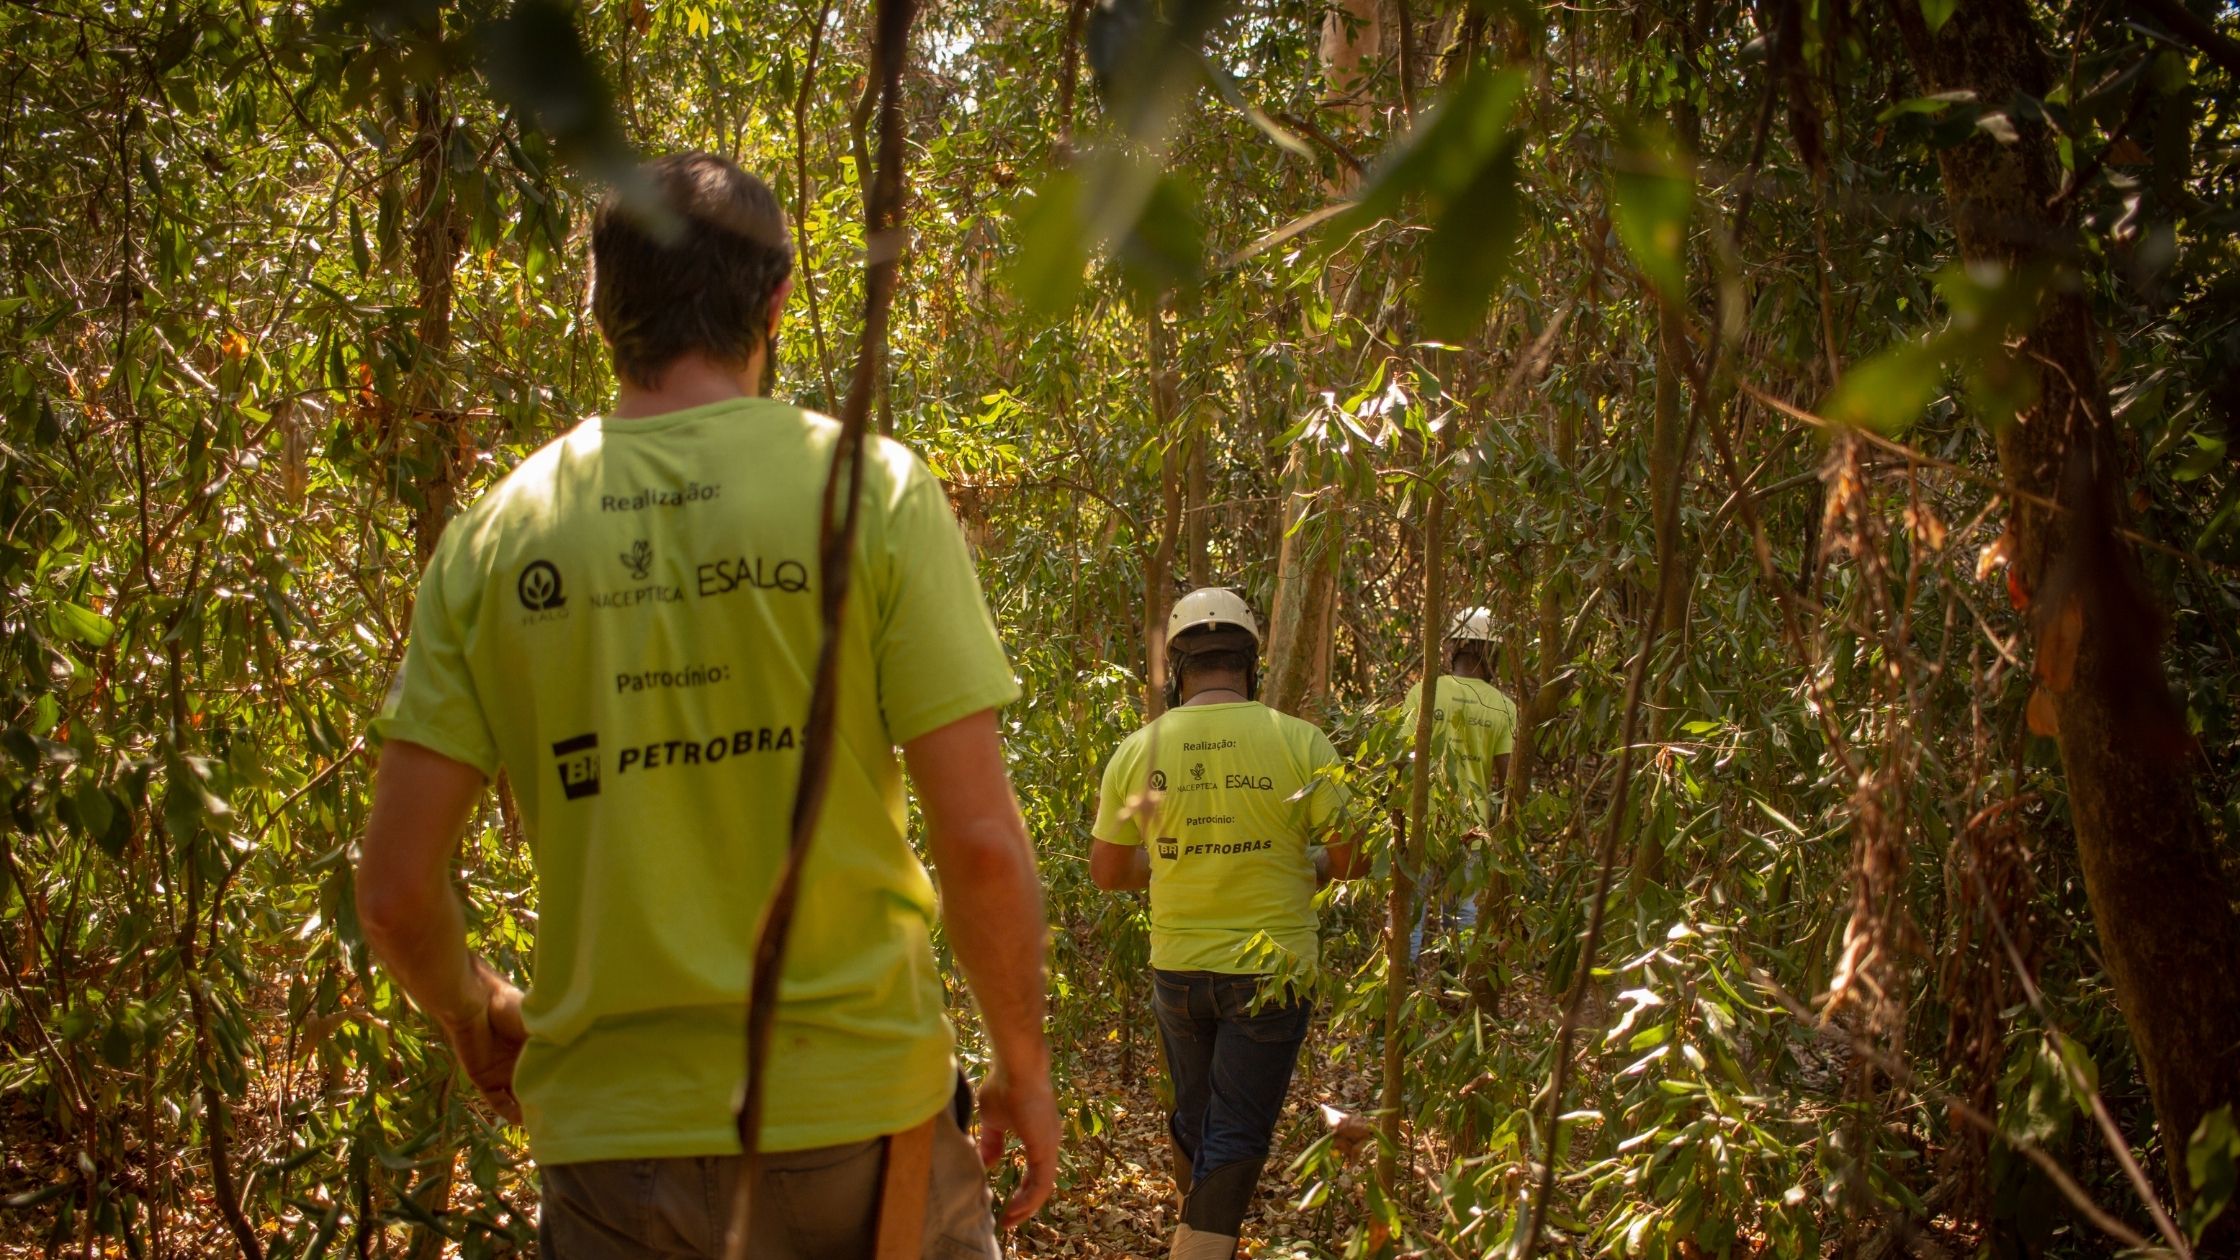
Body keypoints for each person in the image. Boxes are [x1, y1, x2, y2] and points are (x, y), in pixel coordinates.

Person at [354, 152, 1057, 1260]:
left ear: (599, 308)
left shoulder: (495, 537)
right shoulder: (870, 490)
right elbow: (976, 841)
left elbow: (394, 892)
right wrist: (1024, 1065)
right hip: (865, 1129)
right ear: (775, 300)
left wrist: (473, 1012)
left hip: (616, 1155)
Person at [1089, 587, 1362, 1260]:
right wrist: (1311, 864)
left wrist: (1170, 862)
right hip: (1272, 975)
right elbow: (1356, 857)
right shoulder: (1300, 743)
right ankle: (1201, 1246)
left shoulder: (1141, 748)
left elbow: (1109, 870)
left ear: (1177, 669)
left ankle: (1197, 1229)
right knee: (1235, 1132)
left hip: (1178, 968)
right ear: (1249, 663)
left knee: (1197, 1116)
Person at [1398, 605, 1518, 962]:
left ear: (1455, 646)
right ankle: (1454, 997)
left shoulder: (1425, 691)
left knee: (1411, 915)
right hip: (1471, 827)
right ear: (1493, 652)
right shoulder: (1504, 706)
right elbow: (1507, 779)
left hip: (1422, 820)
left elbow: (1401, 759)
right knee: (1462, 918)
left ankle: (1402, 998)